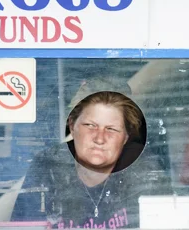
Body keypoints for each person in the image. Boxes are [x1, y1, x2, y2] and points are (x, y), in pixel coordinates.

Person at [10, 80, 173, 229]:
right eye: (90, 125)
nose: (99, 138)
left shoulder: (148, 175)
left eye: (111, 129)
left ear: (126, 137)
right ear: (72, 126)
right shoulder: (48, 166)